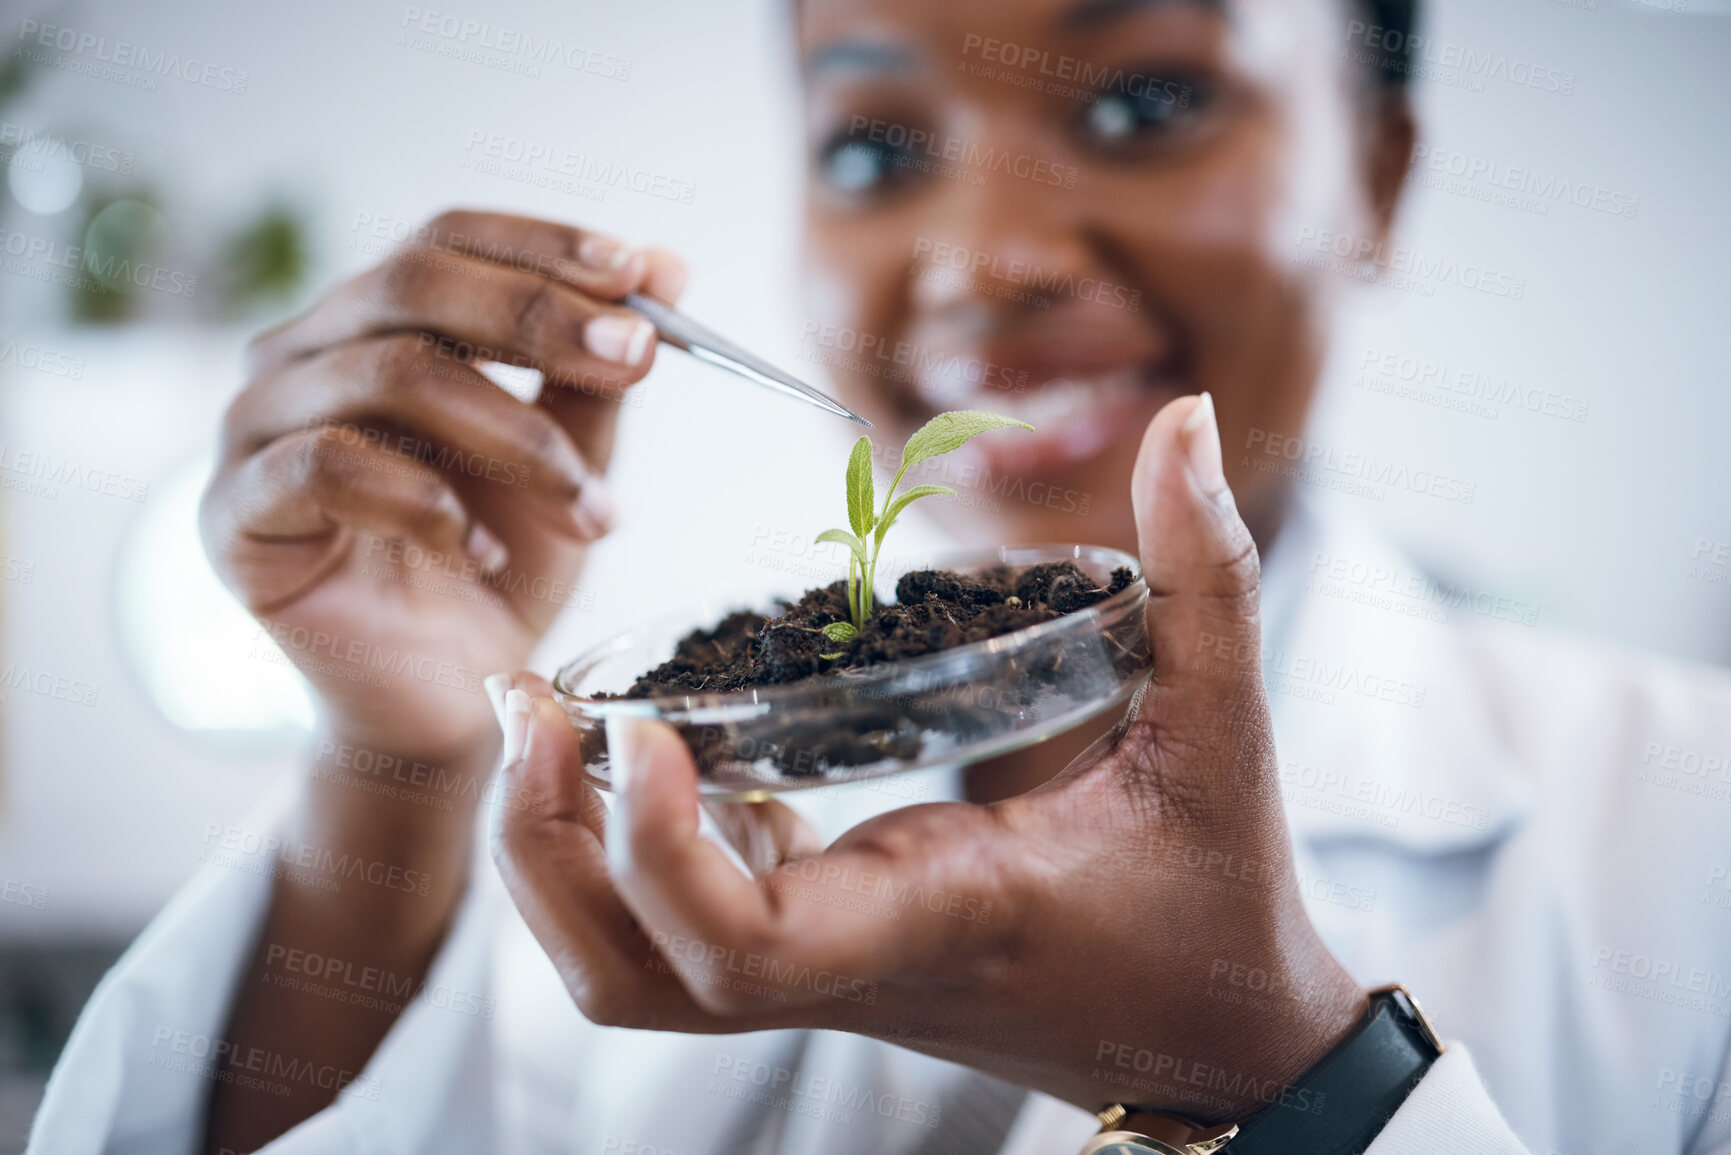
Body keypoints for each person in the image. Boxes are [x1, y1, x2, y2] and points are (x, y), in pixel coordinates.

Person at [28, 0, 1731, 1151]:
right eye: (875, 148)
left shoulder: (1687, 832)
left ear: (1376, 169)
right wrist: (396, 765)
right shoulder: (674, 796)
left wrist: (1280, 1079)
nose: (981, 259)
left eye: (1146, 100)